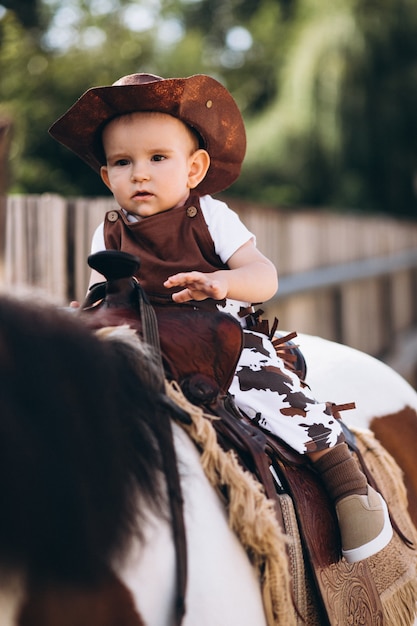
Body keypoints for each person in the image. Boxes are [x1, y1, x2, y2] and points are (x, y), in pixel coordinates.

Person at [49, 72, 393, 563]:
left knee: (266, 388)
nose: (139, 174)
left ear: (194, 169)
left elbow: (264, 275)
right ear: (107, 177)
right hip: (143, 340)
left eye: (157, 158)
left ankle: (345, 481)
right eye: (123, 163)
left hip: (218, 336)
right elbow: (102, 295)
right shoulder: (107, 232)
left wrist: (223, 283)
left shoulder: (209, 216)